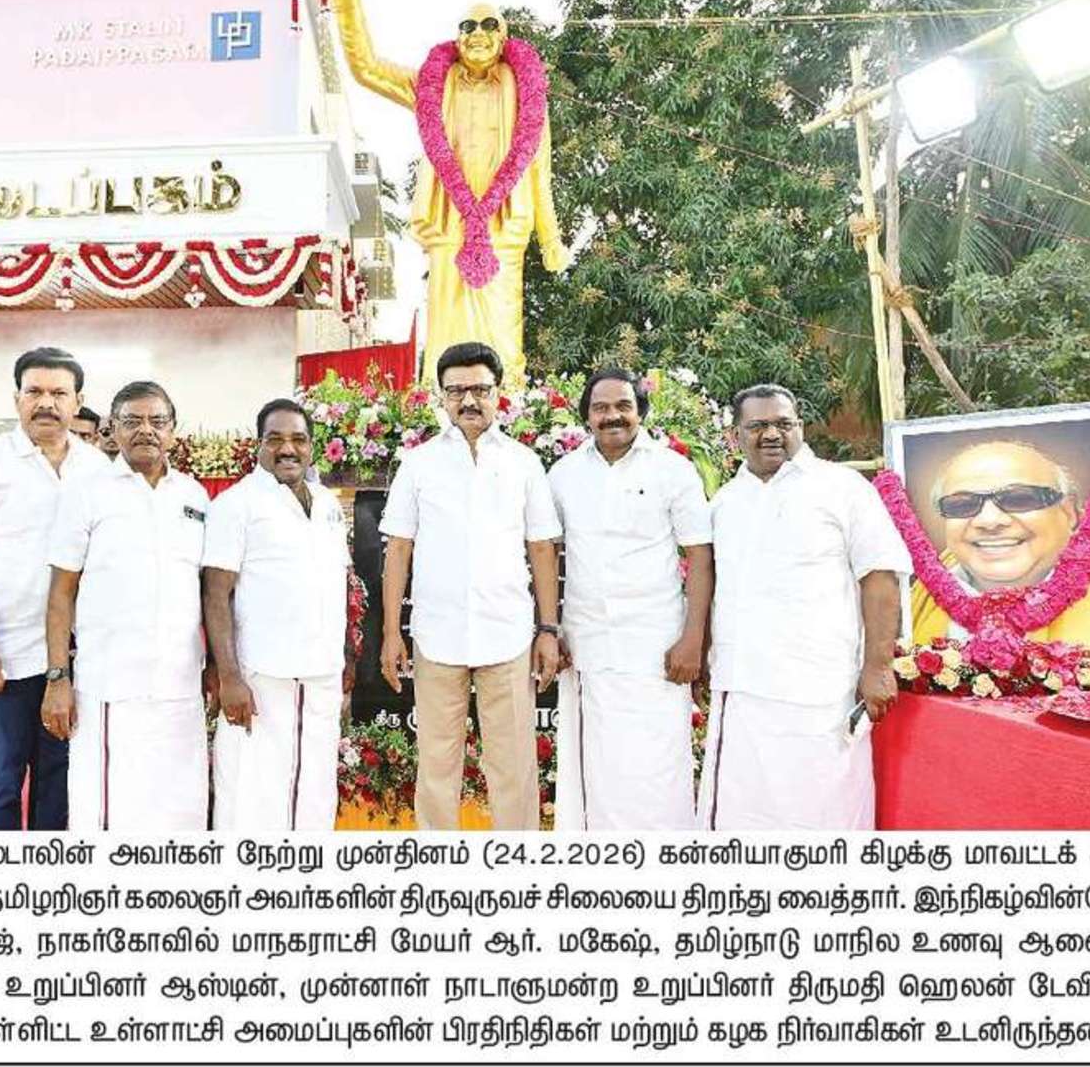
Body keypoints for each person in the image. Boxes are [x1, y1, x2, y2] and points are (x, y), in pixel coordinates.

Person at [331, 0, 570, 388]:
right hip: (448, 227)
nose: (477, 33)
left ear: (503, 37)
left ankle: (507, 411)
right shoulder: (431, 83)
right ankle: (439, 411)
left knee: (503, 339)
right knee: (446, 337)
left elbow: (539, 169)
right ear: (457, 37)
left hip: (503, 229)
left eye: (488, 25)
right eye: (468, 26)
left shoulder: (527, 92)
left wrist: (550, 238)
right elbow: (367, 68)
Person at [698, 384, 910, 830]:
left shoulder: (843, 487)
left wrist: (878, 666)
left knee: (825, 816)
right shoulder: (724, 503)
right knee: (744, 822)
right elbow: (713, 589)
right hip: (743, 693)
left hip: (821, 694)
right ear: (736, 435)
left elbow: (881, 576)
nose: (772, 434)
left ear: (801, 427)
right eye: (758, 425)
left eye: (783, 423)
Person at [378, 342, 562, 830]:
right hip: (437, 636)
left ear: (498, 393)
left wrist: (547, 629)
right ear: (441, 397)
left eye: (479, 389)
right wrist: (392, 633)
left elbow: (542, 548)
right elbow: (398, 549)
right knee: (437, 766)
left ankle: (516, 863)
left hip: (508, 635)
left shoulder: (524, 463)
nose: (468, 401)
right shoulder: (419, 463)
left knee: (514, 767)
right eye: (456, 391)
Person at [0, 347, 108, 829]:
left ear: (78, 402)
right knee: (1, 778)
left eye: (59, 393)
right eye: (34, 391)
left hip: (77, 654)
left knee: (61, 779)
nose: (46, 403)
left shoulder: (98, 469)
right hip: (4, 654)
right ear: (16, 399)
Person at [546, 368, 712, 830]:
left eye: (623, 406)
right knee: (595, 770)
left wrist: (693, 640)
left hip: (656, 649)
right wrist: (550, 628)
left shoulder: (672, 470)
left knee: (658, 767)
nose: (612, 416)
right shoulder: (563, 475)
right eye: (600, 408)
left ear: (641, 411)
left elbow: (700, 556)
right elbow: (545, 553)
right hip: (589, 648)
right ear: (586, 416)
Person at [45, 380, 210, 831]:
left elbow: (205, 590)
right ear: (112, 429)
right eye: (132, 421)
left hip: (180, 686)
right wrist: (58, 678)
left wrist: (214, 666)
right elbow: (60, 593)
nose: (145, 430)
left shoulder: (193, 496)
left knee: (179, 810)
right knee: (108, 813)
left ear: (173, 429)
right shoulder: (86, 491)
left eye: (157, 421)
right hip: (110, 687)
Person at [204, 398, 355, 831]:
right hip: (261, 679)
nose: (287, 449)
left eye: (298, 439)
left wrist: (345, 656)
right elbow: (216, 595)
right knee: (253, 793)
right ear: (258, 445)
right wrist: (229, 677)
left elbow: (337, 583)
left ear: (311, 447)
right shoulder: (236, 504)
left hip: (320, 677)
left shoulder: (326, 503)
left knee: (314, 792)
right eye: (275, 439)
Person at [910, 439, 1090, 652]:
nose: (989, 521)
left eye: (1019, 499)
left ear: (1069, 512)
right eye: (962, 504)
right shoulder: (923, 587)